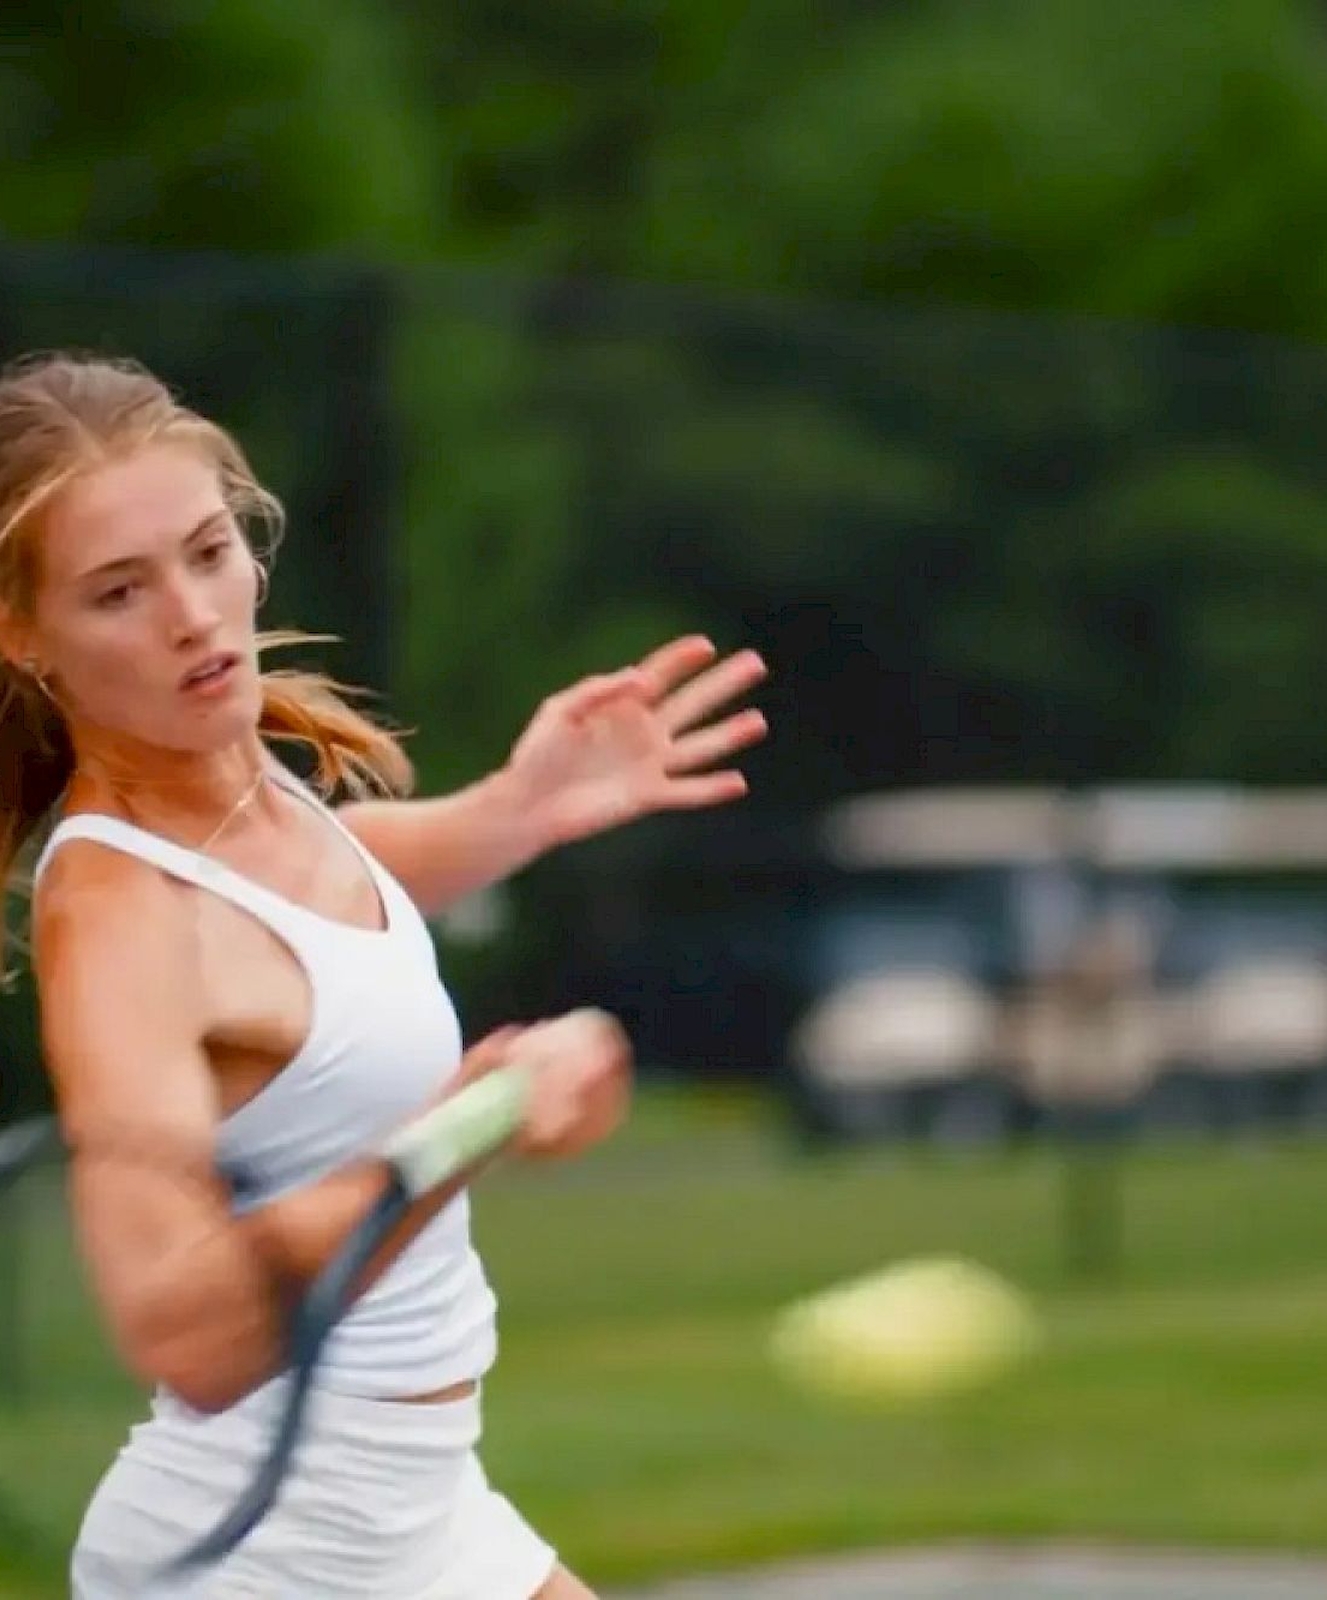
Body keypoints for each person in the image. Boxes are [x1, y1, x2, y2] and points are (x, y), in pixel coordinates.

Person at [0, 350, 769, 1598]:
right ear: (25, 636)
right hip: (268, 1559)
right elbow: (182, 1323)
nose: (193, 614)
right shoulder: (122, 912)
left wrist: (515, 812)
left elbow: (316, 925)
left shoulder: (247, 797)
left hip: (423, 1508)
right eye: (117, 592)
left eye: (207, 551)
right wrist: (481, 1115)